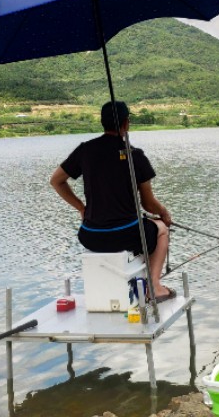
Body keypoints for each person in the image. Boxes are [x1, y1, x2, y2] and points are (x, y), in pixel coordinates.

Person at [50, 100, 176, 302]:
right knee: (161, 229)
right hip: (127, 234)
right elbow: (148, 204)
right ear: (126, 123)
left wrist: (81, 207)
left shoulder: (85, 150)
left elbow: (56, 181)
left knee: (143, 226)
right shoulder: (135, 155)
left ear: (103, 122)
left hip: (90, 235)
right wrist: (164, 214)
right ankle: (154, 287)